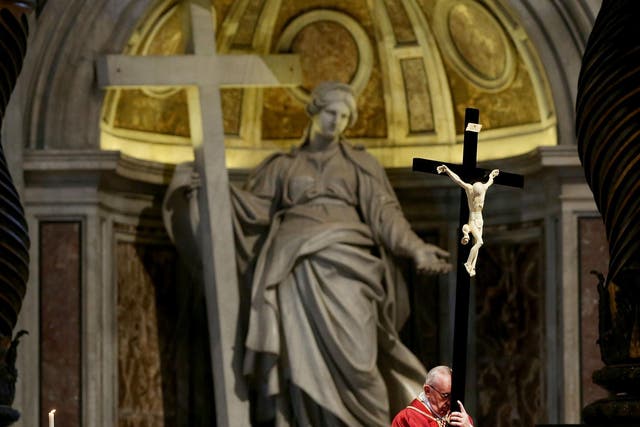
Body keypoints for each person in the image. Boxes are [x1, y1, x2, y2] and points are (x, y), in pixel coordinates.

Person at [165, 81, 452, 425]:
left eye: (345, 116)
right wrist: (211, 188)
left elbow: (386, 216)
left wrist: (417, 249)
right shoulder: (283, 166)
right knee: (297, 366)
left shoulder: (360, 164)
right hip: (293, 268)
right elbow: (251, 210)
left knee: (360, 365)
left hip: (350, 267)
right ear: (314, 111)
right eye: (332, 112)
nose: (337, 122)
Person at [436, 164, 499, 277]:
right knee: (480, 242)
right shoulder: (469, 189)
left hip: (480, 219)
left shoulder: (484, 188)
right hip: (473, 219)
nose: (476, 196)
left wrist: (492, 175)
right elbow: (458, 180)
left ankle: (472, 267)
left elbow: (490, 180)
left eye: (478, 195)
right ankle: (468, 263)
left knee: (477, 244)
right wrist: (447, 170)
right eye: (475, 194)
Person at [391, 366, 473, 427]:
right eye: (445, 395)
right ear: (427, 391)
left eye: (453, 396)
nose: (449, 402)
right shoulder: (407, 418)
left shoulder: (459, 417)